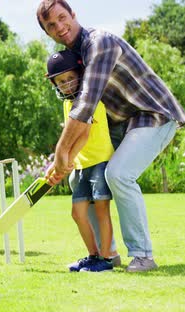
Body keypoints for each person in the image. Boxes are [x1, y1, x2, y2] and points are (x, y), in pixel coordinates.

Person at [37, 0, 185, 272]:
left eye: (63, 17)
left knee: (118, 174)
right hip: (120, 124)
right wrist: (65, 161)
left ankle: (143, 255)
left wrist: (61, 152)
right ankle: (105, 255)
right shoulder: (75, 60)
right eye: (51, 25)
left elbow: (84, 105)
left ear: (73, 14)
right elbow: (86, 121)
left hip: (153, 114)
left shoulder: (100, 43)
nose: (60, 27)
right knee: (79, 176)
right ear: (47, 33)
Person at [46, 50, 120, 272]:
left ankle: (106, 259)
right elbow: (69, 138)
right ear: (55, 85)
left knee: (101, 211)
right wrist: (59, 163)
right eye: (61, 82)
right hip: (80, 166)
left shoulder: (91, 98)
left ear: (79, 75)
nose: (67, 84)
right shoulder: (67, 104)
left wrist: (65, 161)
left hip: (99, 161)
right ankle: (93, 255)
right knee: (77, 213)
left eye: (70, 78)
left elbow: (84, 134)